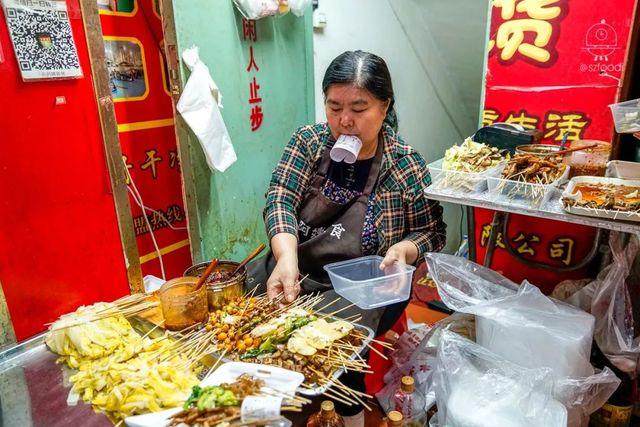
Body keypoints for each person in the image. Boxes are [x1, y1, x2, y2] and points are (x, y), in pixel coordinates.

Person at [248, 50, 446, 427]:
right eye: (334, 106)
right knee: (253, 331)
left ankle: (349, 415)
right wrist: (286, 258)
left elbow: (433, 232)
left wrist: (405, 249)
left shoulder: (405, 165)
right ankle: (267, 411)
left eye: (359, 108)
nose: (345, 121)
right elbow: (280, 197)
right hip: (298, 264)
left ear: (384, 107)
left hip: (364, 284)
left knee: (341, 355)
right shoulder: (308, 143)